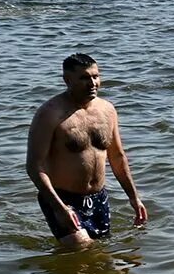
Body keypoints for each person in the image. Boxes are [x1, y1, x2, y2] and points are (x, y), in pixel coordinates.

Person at [26, 52, 147, 248]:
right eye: (84, 78)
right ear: (67, 80)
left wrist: (134, 198)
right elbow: (34, 166)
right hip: (62, 198)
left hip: (99, 198)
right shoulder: (49, 114)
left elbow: (117, 157)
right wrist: (59, 208)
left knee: (103, 265)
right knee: (82, 248)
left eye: (95, 76)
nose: (92, 83)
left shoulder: (107, 110)